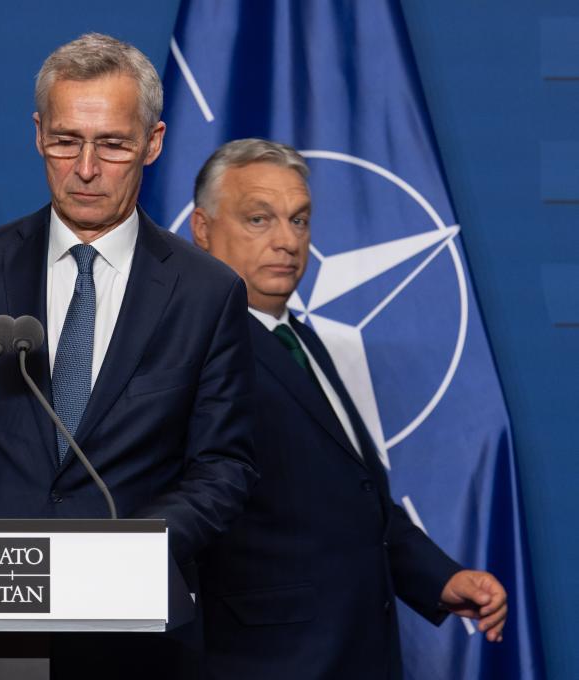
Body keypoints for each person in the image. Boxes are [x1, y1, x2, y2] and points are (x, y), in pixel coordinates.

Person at [0, 34, 258, 679]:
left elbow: (223, 467)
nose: (85, 168)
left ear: (152, 143)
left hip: (131, 633)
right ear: (38, 134)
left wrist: (122, 553)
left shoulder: (207, 292)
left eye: (112, 144)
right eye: (66, 141)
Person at [189, 138, 509, 679]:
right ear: (202, 228)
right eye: (259, 219)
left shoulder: (302, 341)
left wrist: (439, 579)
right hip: (264, 662)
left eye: (299, 220)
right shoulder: (189, 347)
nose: (287, 240)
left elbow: (353, 499)